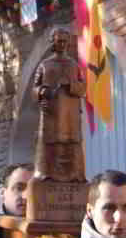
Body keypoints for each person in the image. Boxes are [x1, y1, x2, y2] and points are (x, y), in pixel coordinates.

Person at [33, 28, 86, 182]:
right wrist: (42, 91)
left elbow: (83, 88)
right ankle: (46, 172)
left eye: (65, 41)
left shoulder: (73, 65)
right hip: (52, 112)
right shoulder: (45, 64)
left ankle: (75, 174)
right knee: (49, 141)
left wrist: (70, 84)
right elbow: (34, 88)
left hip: (70, 112)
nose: (62, 44)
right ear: (53, 42)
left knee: (72, 142)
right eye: (59, 41)